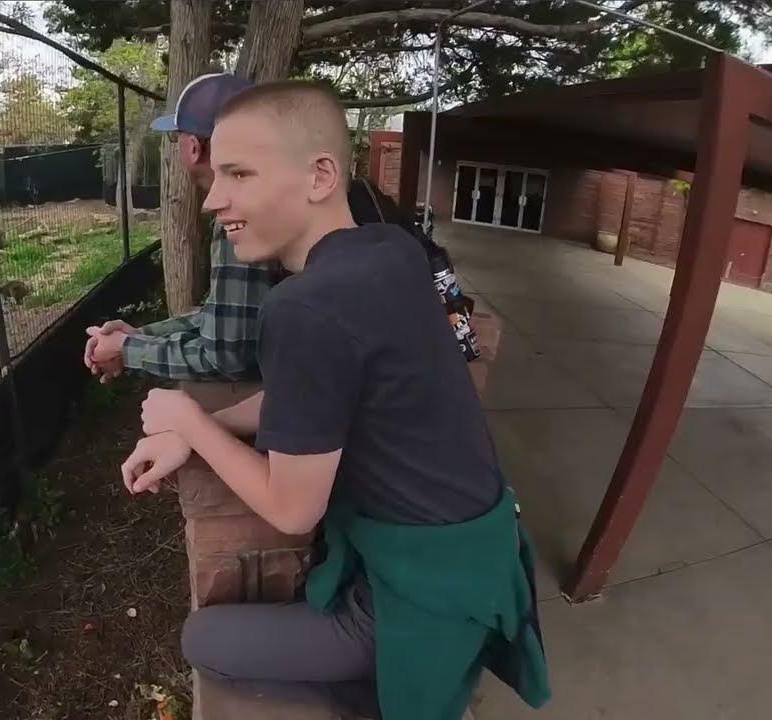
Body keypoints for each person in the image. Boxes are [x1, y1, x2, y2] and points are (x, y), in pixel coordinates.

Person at [118, 81, 550, 720]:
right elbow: (304, 399)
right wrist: (200, 426)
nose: (214, 199)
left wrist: (183, 415)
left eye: (239, 173)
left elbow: (292, 510)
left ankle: (377, 678)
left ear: (321, 175)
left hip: (424, 593)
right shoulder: (390, 250)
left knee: (203, 640)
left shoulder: (305, 307)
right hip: (484, 556)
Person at [83, 73, 454, 384]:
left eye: (241, 174)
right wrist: (141, 336)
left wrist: (134, 356)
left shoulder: (252, 229)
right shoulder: (384, 239)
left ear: (193, 147)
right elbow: (232, 317)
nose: (216, 201)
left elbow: (230, 354)